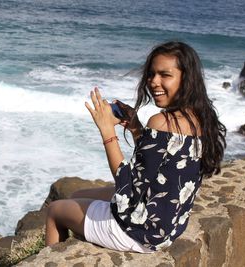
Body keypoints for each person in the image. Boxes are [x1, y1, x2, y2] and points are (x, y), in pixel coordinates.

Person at [45, 41, 226, 252]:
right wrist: (136, 128)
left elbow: (127, 184)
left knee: (55, 210)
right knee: (76, 196)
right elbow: (162, 162)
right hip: (168, 227)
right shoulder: (201, 118)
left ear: (186, 79)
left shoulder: (162, 121)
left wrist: (107, 131)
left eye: (165, 75)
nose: (154, 82)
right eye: (151, 74)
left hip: (139, 231)